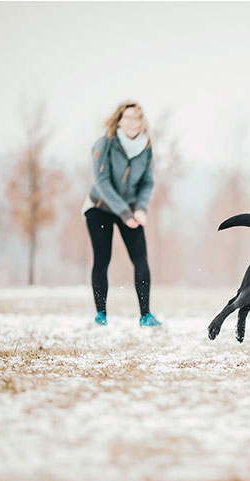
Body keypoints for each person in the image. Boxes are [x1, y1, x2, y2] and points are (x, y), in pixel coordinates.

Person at [82, 101, 162, 327]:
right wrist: (125, 213)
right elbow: (102, 182)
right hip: (99, 207)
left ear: (142, 121)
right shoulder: (105, 143)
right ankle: (101, 315)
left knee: (140, 258)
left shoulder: (146, 147)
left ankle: (146, 315)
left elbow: (147, 182)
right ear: (119, 120)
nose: (133, 122)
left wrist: (140, 209)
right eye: (128, 118)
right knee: (102, 259)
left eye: (137, 118)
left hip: (130, 208)